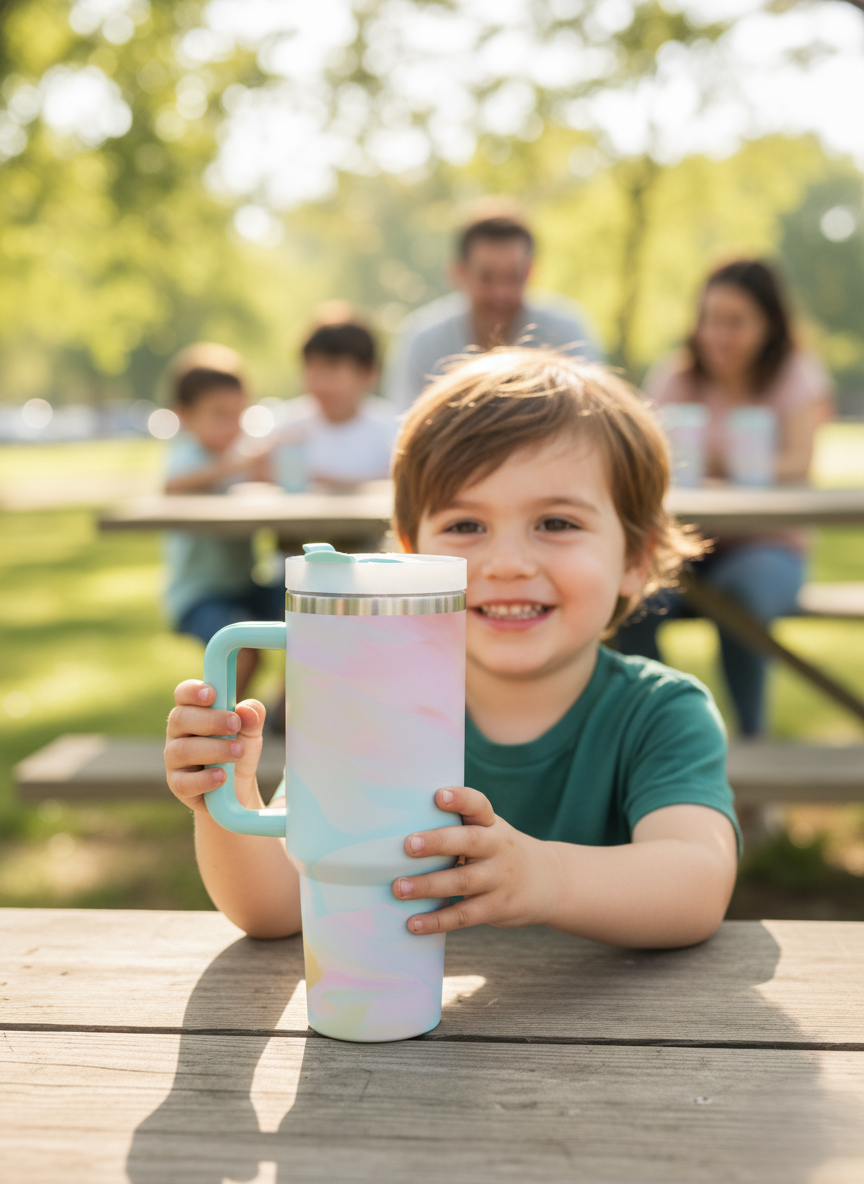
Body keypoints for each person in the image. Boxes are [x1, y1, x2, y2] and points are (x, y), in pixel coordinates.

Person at [165, 348, 740, 947]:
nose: (508, 563)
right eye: (467, 526)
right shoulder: (367, 703)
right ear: (411, 557)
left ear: (635, 558)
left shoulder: (661, 714)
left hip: (617, 1035)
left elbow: (698, 882)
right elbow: (279, 905)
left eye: (557, 523)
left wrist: (547, 879)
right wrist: (224, 795)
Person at [617, 259, 834, 737]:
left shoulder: (794, 374)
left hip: (768, 545)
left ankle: (752, 744)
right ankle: (662, 734)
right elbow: (646, 459)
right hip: (685, 541)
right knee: (630, 595)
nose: (719, 334)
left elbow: (799, 461)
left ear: (768, 325)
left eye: (735, 322)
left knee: (741, 597)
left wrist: (720, 463)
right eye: (711, 319)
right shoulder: (676, 376)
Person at [383, 204, 602, 411]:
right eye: (486, 277)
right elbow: (405, 429)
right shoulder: (423, 340)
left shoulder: (566, 335)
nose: (500, 293)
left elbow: (592, 417)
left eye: (513, 277)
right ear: (460, 272)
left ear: (529, 272)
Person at [163, 343, 282, 699]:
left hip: (245, 586)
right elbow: (172, 486)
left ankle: (286, 712)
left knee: (313, 610)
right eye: (219, 415)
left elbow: (266, 491)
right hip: (198, 595)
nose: (231, 426)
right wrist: (234, 465)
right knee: (240, 652)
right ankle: (217, 734)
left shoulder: (236, 457)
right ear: (185, 414)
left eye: (238, 415)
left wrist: (263, 473)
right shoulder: (187, 454)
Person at [271, 304, 397, 490]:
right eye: (312, 370)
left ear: (367, 372)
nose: (320, 384)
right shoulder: (285, 429)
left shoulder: (393, 433)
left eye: (331, 369)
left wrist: (331, 483)